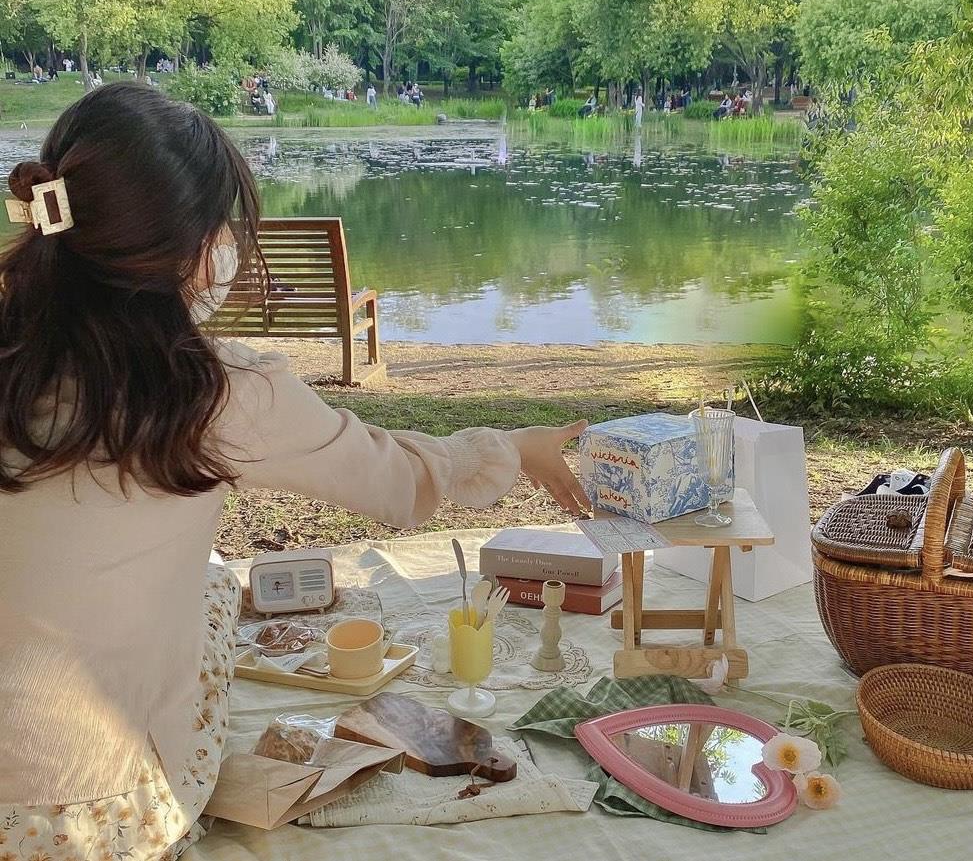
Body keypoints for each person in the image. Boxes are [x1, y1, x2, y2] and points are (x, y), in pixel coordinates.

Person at [0, 83, 590, 860]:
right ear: (201, 251)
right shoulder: (218, 392)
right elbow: (396, 480)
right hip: (92, 808)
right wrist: (516, 448)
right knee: (213, 586)